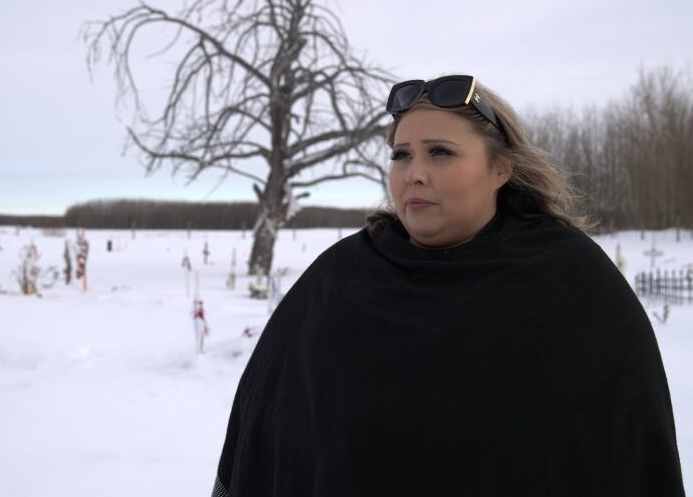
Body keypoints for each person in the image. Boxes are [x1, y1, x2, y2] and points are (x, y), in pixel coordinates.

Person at [210, 74, 687, 496]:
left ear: (501, 169)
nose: (413, 173)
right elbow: (271, 433)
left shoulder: (575, 283)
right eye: (401, 155)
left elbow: (626, 450)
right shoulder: (340, 281)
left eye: (440, 152)